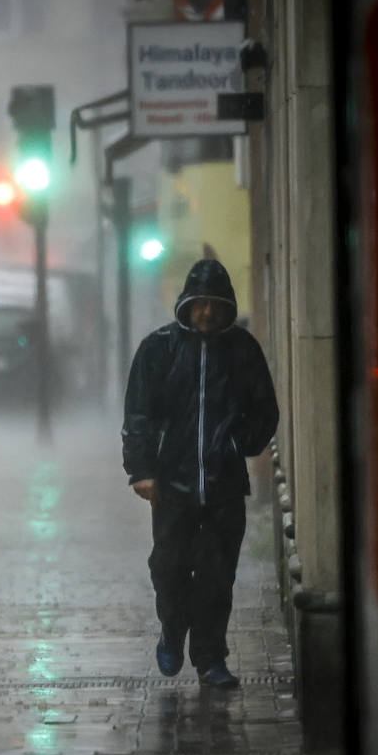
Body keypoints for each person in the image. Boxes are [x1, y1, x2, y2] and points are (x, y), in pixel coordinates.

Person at [121, 258, 279, 690]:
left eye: (214, 304)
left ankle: (211, 660)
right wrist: (142, 469)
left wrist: (235, 444)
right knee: (169, 567)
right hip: (172, 485)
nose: (206, 312)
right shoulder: (159, 349)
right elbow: (138, 413)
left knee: (215, 576)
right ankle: (173, 631)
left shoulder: (243, 351)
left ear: (226, 306)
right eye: (199, 303)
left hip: (225, 487)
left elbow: (265, 411)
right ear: (186, 304)